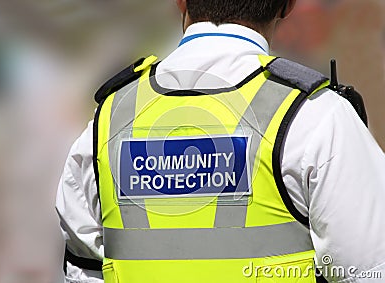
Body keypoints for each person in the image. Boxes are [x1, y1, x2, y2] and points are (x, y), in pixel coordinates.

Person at [56, 0, 385, 282]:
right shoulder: (316, 116)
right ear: (288, 4)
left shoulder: (108, 120)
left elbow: (83, 268)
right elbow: (371, 269)